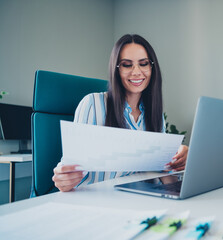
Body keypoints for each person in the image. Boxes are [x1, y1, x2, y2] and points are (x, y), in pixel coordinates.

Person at [52, 34, 188, 192]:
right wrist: (63, 177)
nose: (136, 72)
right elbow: (70, 167)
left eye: (143, 64)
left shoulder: (155, 115)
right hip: (97, 202)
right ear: (116, 69)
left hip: (140, 202)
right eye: (127, 65)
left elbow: (163, 173)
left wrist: (179, 160)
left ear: (152, 67)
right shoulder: (92, 104)